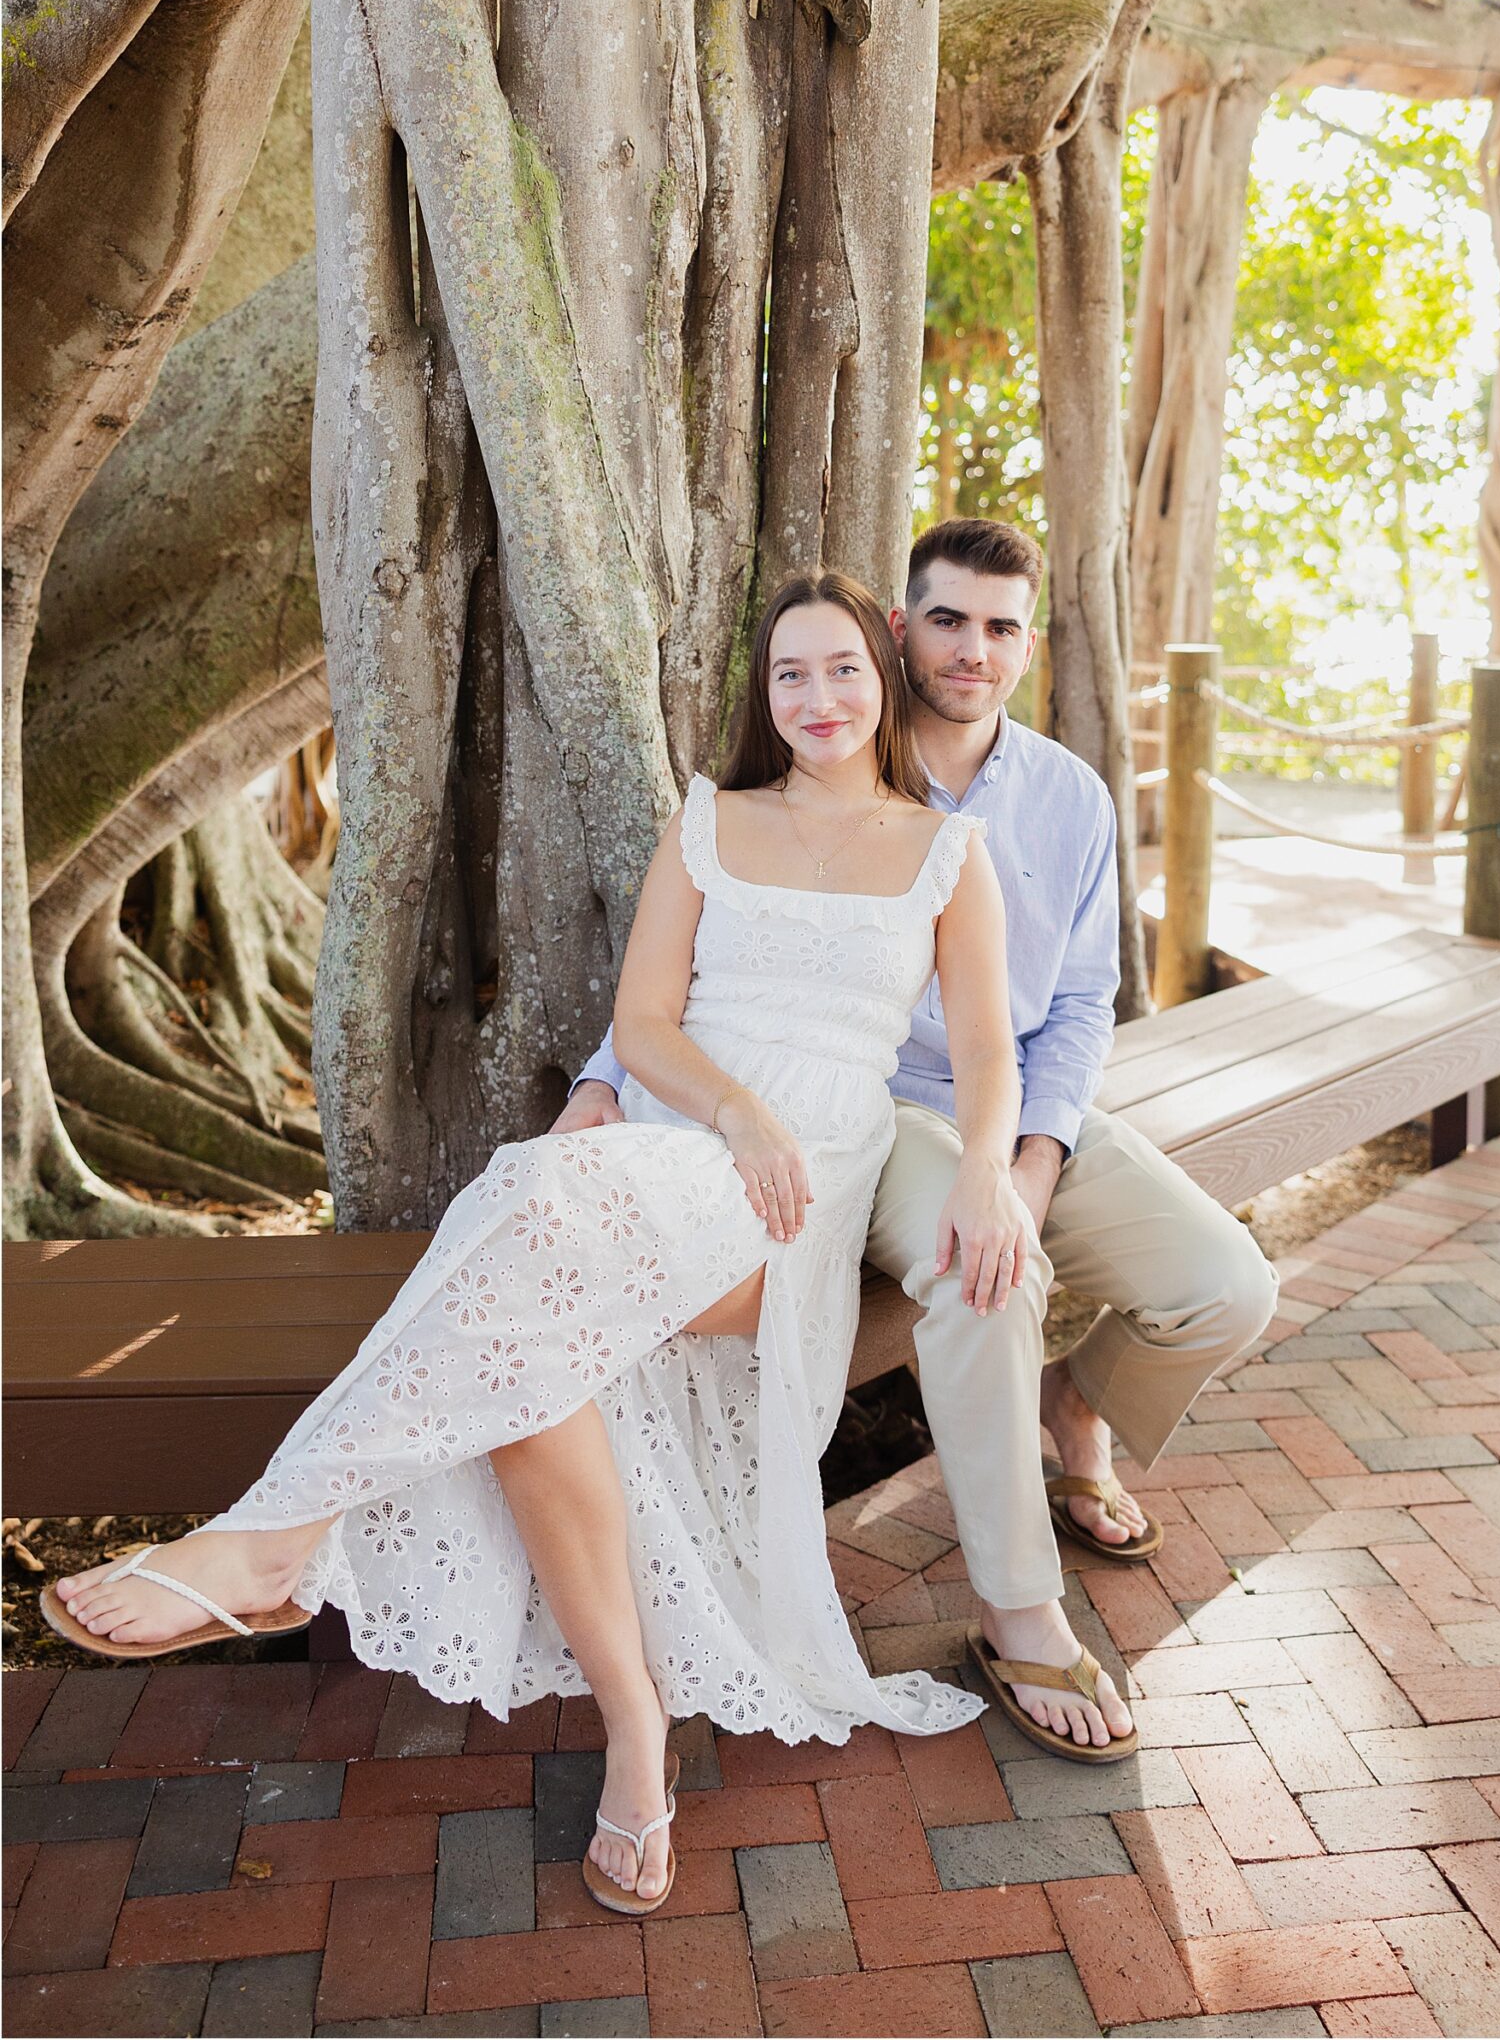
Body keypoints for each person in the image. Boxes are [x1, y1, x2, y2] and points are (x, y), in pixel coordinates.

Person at [49, 572, 1111, 1915]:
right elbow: (649, 1023)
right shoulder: (711, 819)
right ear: (764, 696)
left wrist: (984, 1175)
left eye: (843, 668)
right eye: (789, 674)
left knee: (534, 1209)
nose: (819, 698)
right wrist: (736, 1115)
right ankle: (634, 1728)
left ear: (884, 674)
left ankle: (275, 1532)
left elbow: (983, 1054)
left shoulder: (943, 855)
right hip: (689, 1139)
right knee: (537, 1300)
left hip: (802, 1188)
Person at [567, 519, 1278, 1755]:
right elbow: (722, 964)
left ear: (1027, 646)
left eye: (1002, 627)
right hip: (871, 1115)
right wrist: (601, 1078)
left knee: (1228, 1287)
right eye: (947, 619)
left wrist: (1027, 1165)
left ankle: (1073, 1407)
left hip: (1024, 1116)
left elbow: (1070, 1013)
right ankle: (1020, 1614)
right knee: (981, 1277)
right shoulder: (836, 764)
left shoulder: (1066, 798)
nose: (973, 648)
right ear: (902, 629)